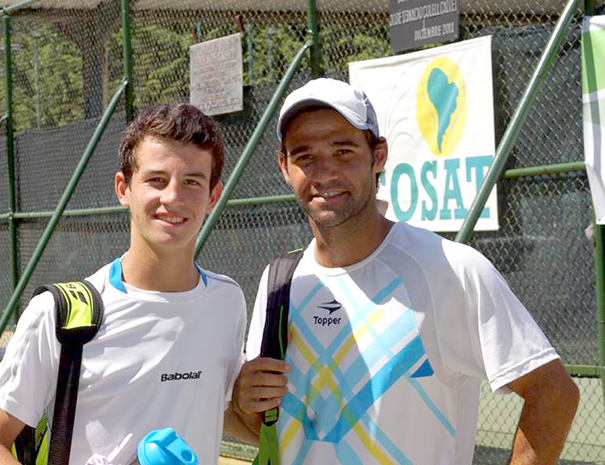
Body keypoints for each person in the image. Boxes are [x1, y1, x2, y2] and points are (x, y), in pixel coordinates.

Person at [231, 78, 579, 464]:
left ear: (378, 155)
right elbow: (273, 425)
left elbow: (553, 392)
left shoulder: (450, 269)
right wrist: (246, 402)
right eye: (304, 156)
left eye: (343, 150)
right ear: (284, 167)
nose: (323, 172)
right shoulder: (279, 280)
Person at [0, 103, 250, 465]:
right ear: (123, 188)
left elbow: (215, 409)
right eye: (156, 180)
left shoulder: (228, 302)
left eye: (192, 181)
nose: (173, 197)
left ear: (213, 195)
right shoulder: (60, 315)